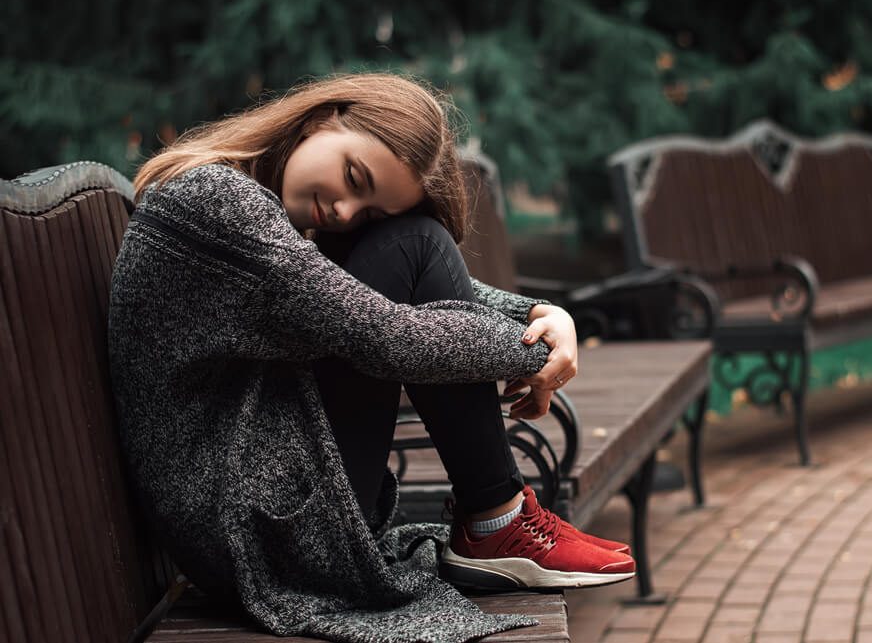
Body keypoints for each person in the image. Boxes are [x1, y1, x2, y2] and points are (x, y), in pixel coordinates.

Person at [109, 73, 633, 642]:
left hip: (247, 517)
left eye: (367, 212)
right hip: (255, 536)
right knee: (417, 242)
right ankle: (497, 520)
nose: (344, 210)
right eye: (354, 177)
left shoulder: (247, 208)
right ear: (321, 120)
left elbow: (360, 296)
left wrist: (540, 315)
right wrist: (528, 350)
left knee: (413, 240)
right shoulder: (218, 203)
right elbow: (388, 336)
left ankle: (496, 520)